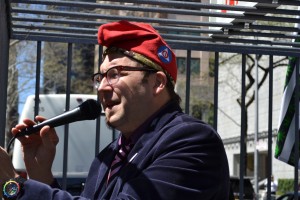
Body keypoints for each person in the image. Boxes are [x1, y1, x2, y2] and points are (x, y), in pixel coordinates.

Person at [0, 20, 230, 199]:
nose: (101, 87)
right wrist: (41, 176)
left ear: (157, 83)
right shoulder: (109, 155)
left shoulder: (193, 141)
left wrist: (11, 186)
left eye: (114, 74)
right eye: (100, 77)